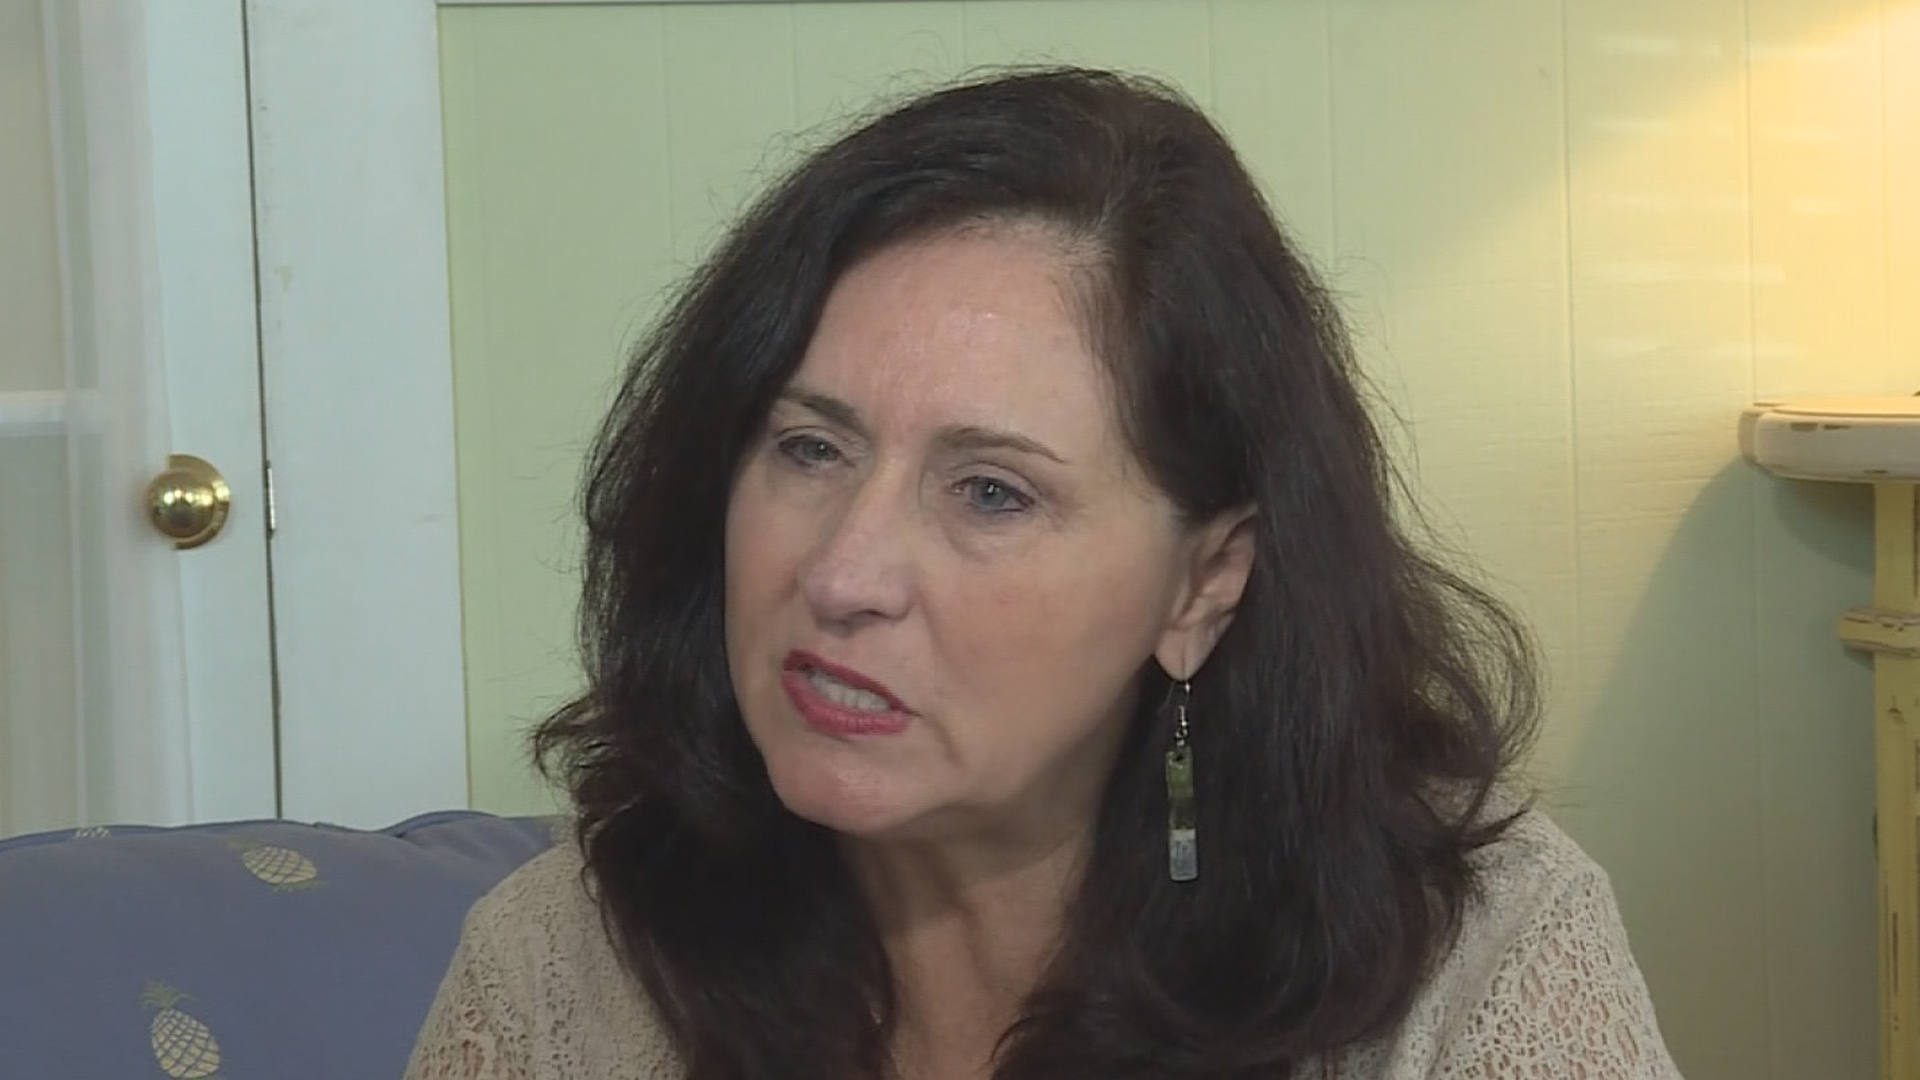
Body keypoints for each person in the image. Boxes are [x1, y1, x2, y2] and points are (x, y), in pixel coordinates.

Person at [404, 67, 1683, 1080]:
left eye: (991, 493)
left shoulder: (1478, 960)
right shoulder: (560, 968)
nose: (844, 573)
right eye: (810, 448)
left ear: (1204, 585)